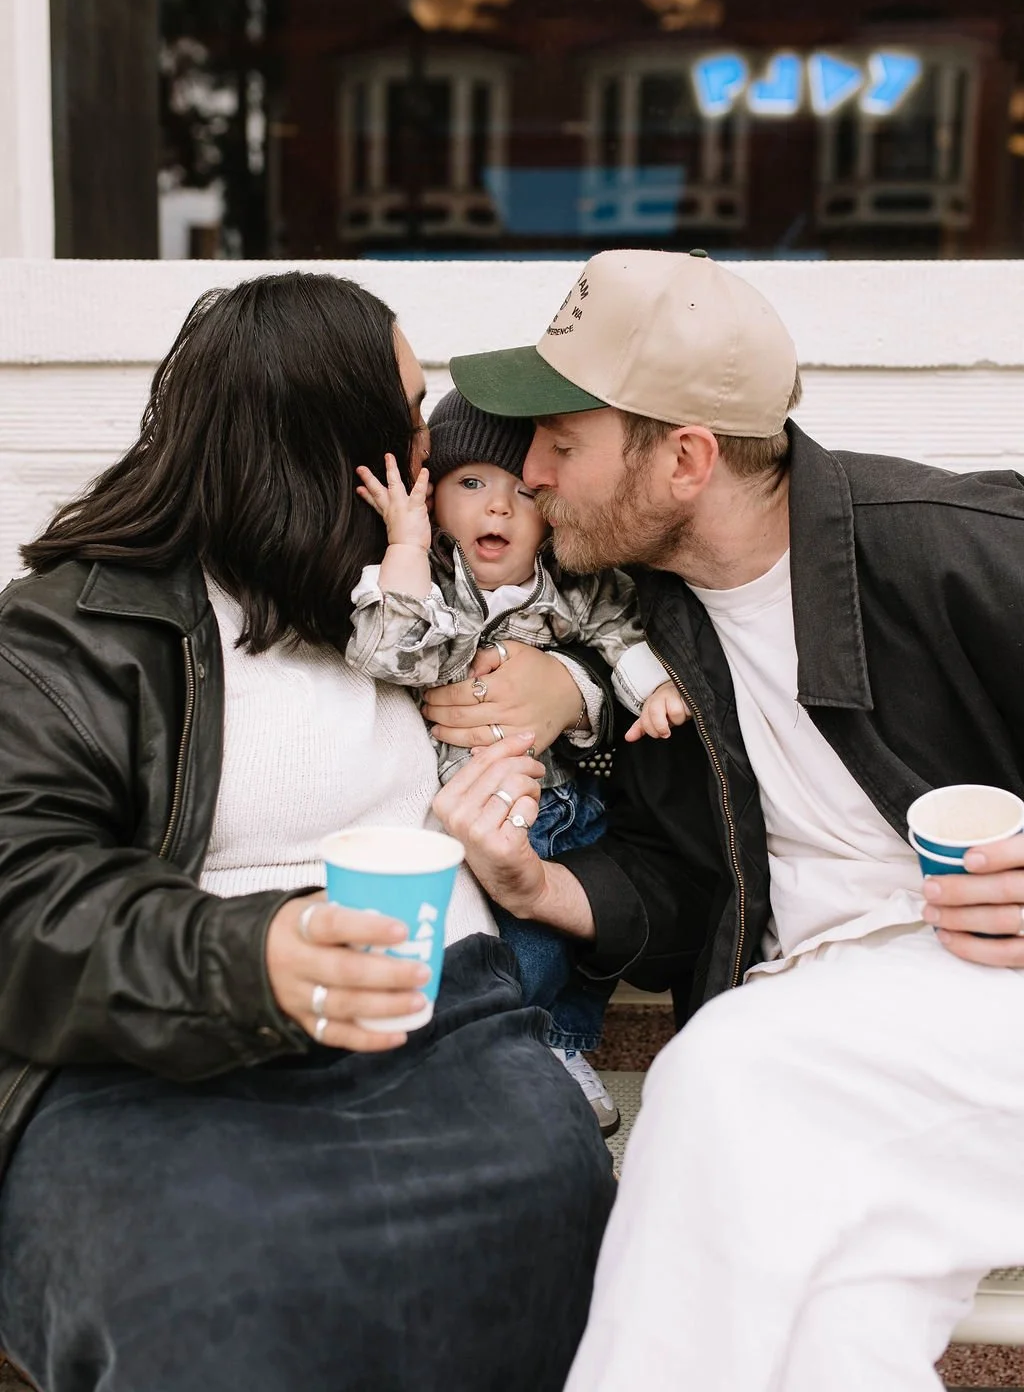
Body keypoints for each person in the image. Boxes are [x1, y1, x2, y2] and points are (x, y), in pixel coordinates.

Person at [0, 272, 617, 1392]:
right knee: (205, 1282)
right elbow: (23, 899)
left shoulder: (420, 599)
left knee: (552, 1221)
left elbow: (625, 646)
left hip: (447, 1023)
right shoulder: (77, 628)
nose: (431, 443)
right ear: (333, 440)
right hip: (156, 1048)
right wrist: (256, 957)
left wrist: (568, 693)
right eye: (411, 410)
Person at [431, 247, 1024, 1392]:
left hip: (968, 1008)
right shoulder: (638, 618)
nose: (529, 475)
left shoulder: (948, 545)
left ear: (685, 458)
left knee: (717, 1080)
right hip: (837, 1032)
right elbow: (678, 884)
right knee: (825, 1329)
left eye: (562, 442)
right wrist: (532, 885)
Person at [346, 387, 685, 1132]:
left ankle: (563, 1045)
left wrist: (652, 689)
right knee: (508, 956)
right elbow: (386, 649)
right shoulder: (434, 585)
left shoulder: (569, 588)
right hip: (454, 810)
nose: (496, 511)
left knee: (568, 938)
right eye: (471, 486)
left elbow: (619, 636)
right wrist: (402, 543)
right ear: (435, 502)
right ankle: (509, 1051)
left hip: (555, 804)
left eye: (522, 493)